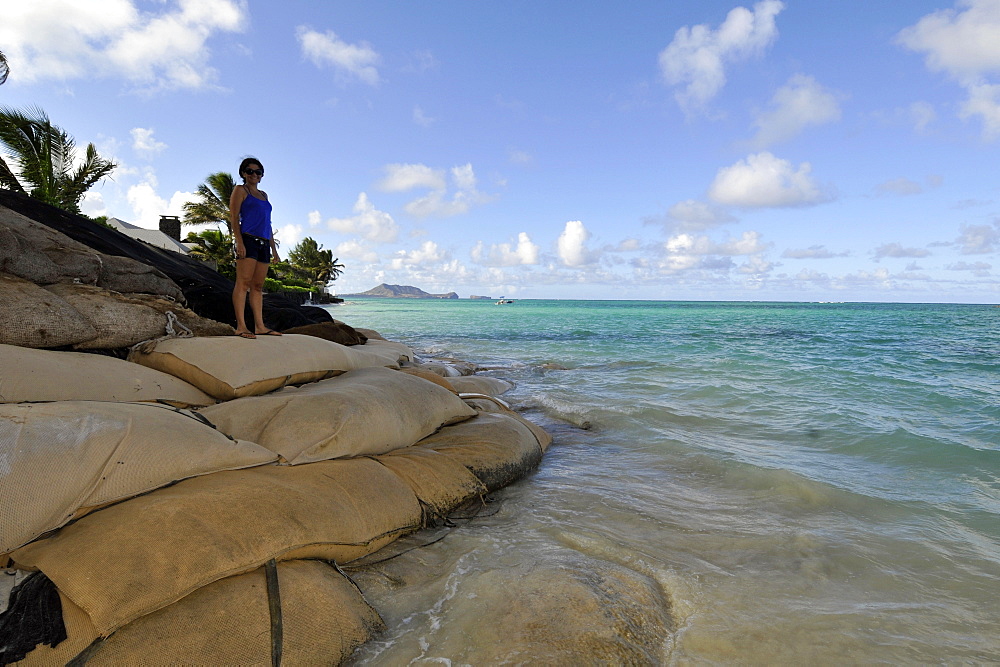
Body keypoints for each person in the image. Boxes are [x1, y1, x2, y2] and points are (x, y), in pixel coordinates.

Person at [229, 156, 282, 338]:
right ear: (244, 173)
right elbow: (234, 217)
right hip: (248, 240)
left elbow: (267, 224)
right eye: (250, 171)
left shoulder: (264, 195)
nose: (254, 174)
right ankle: (241, 326)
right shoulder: (240, 190)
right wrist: (239, 242)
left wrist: (274, 250)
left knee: (258, 286)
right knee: (243, 283)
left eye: (258, 172)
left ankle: (260, 326)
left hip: (264, 243)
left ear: (261, 175)